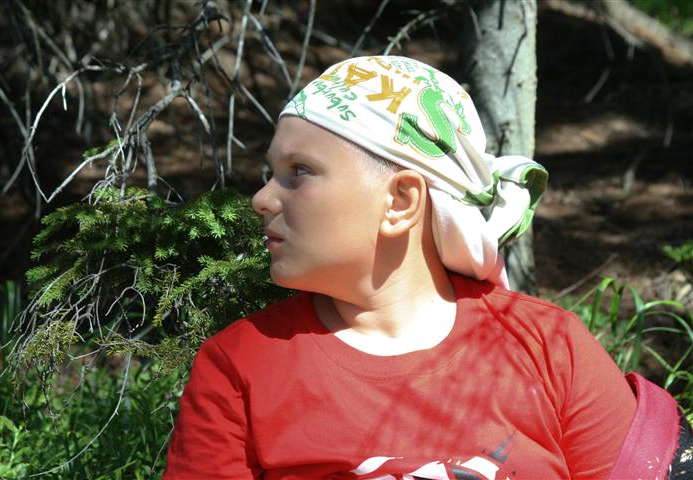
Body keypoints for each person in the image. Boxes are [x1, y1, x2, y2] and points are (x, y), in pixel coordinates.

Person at [162, 56, 690, 479]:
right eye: (271, 173)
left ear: (401, 201)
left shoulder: (551, 348)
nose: (262, 199)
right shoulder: (240, 367)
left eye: (298, 172)